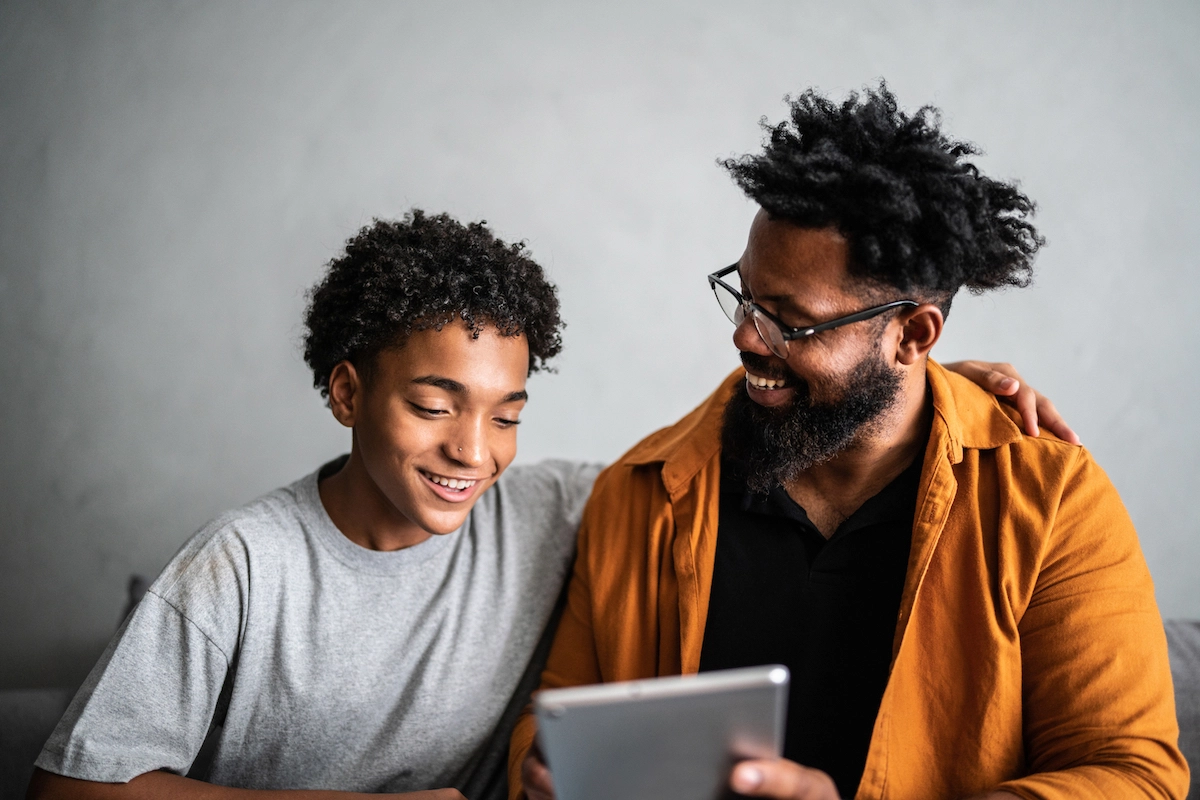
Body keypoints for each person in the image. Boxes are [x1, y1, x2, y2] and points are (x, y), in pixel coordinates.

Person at [27, 210, 1067, 800]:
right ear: (347, 393)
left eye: (506, 412)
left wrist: (921, 389)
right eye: (433, 406)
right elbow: (64, 789)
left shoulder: (556, 509)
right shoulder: (242, 565)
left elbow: (711, 452)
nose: (471, 452)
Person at [513, 84, 1189, 800]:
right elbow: (549, 719)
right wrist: (548, 774)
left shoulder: (1054, 504)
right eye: (744, 297)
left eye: (790, 321)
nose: (744, 336)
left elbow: (1134, 776)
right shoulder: (642, 490)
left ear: (913, 335)